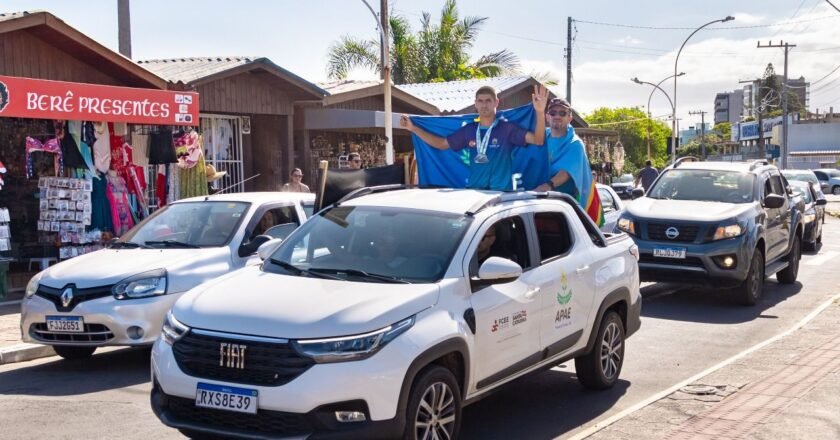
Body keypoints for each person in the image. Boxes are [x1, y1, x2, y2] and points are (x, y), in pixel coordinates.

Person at [399, 84, 549, 191]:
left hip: (502, 194)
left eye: (488, 101)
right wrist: (413, 128)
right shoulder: (469, 130)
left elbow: (538, 140)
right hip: (474, 193)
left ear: (496, 102)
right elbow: (441, 144)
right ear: (475, 103)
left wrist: (540, 112)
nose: (484, 105)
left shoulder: (507, 129)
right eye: (480, 101)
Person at [534, 98, 596, 204]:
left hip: (564, 206)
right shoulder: (541, 137)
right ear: (547, 117)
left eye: (562, 113)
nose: (557, 116)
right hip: (538, 200)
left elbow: (565, 173)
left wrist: (547, 186)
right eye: (553, 113)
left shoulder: (575, 144)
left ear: (569, 118)